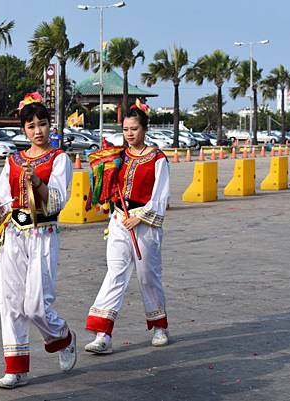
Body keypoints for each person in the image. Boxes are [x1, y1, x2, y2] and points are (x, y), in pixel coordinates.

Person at [0, 92, 76, 389]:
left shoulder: (59, 158)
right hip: (13, 235)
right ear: (23, 129)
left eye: (42, 124)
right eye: (31, 126)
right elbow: (3, 197)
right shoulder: (13, 160)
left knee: (36, 304)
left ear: (51, 125)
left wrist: (38, 182)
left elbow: (59, 200)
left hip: (42, 234)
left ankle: (62, 336)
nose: (38, 131)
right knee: (11, 302)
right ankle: (16, 367)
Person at [84, 101, 170, 354]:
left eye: (134, 128)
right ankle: (103, 333)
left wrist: (141, 216)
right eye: (125, 129)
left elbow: (161, 195)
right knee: (115, 272)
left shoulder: (157, 159)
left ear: (144, 129)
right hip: (120, 221)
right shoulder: (117, 157)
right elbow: (108, 184)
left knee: (148, 275)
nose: (129, 133)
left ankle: (159, 326)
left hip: (145, 225)